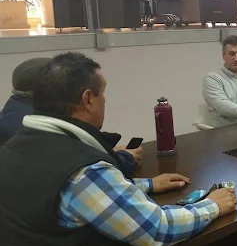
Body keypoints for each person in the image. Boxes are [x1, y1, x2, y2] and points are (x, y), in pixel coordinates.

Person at [0, 52, 237, 246]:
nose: (105, 101)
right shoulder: (82, 170)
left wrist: (147, 184)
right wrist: (212, 206)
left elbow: (75, 195)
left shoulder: (18, 147)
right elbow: (157, 228)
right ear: (88, 99)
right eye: (103, 94)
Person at [0, 57, 141, 178]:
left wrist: (106, 153)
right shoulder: (32, 129)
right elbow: (73, 170)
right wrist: (123, 158)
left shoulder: (13, 113)